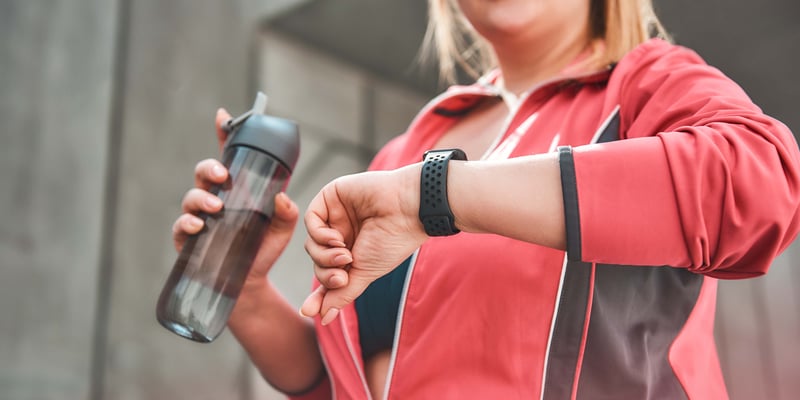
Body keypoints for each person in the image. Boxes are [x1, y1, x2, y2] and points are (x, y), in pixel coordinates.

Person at [173, 0, 800, 398]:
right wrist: (250, 292)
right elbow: (343, 381)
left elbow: (760, 186)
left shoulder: (646, 84)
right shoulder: (404, 153)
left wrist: (439, 195)